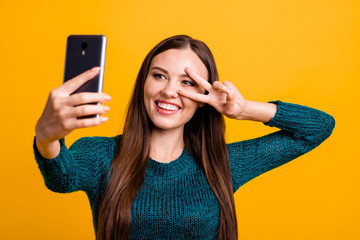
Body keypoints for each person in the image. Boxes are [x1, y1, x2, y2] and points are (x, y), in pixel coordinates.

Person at [33, 35, 335, 240]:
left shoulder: (222, 164)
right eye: (159, 75)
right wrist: (46, 137)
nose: (169, 91)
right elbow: (62, 178)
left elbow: (318, 127)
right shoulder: (101, 154)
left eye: (187, 82)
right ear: (144, 83)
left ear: (203, 95)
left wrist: (243, 109)